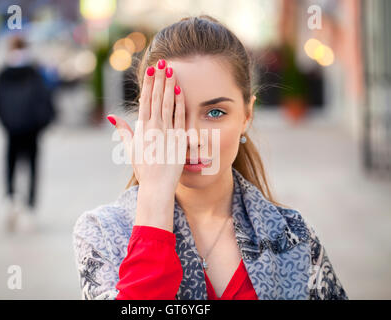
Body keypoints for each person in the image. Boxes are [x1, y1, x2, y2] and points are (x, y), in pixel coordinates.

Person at [72, 15, 348, 300]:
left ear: (247, 115)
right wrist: (154, 199)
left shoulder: (295, 239)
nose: (192, 137)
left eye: (215, 112)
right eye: (173, 113)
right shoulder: (103, 233)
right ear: (147, 118)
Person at [0, 35, 55, 232]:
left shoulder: (3, 73)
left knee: (11, 166)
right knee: (32, 168)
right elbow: (46, 99)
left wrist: (6, 122)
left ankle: (11, 200)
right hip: (32, 130)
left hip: (12, 130)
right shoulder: (34, 72)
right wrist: (42, 124)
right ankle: (29, 207)